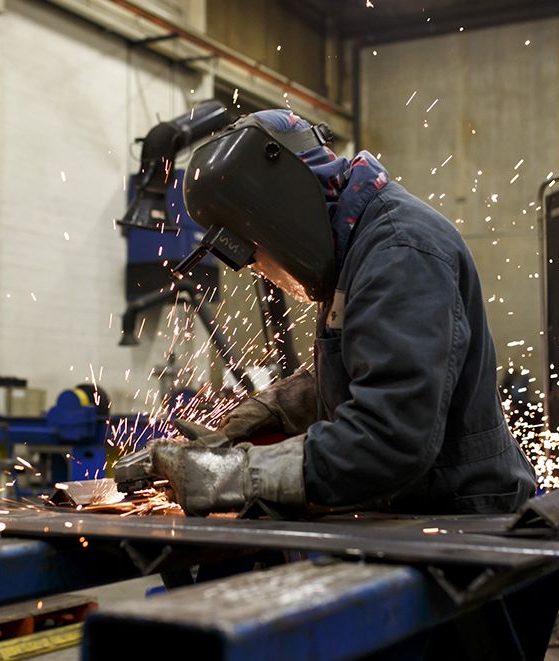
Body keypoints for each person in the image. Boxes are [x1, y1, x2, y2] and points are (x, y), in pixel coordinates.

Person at [148, 109, 536, 517]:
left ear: (282, 211)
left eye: (258, 253)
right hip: (411, 506)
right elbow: (365, 364)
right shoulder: (355, 248)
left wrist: (237, 476)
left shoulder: (398, 252)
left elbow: (390, 437)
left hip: (463, 517)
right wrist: (271, 408)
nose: (264, 270)